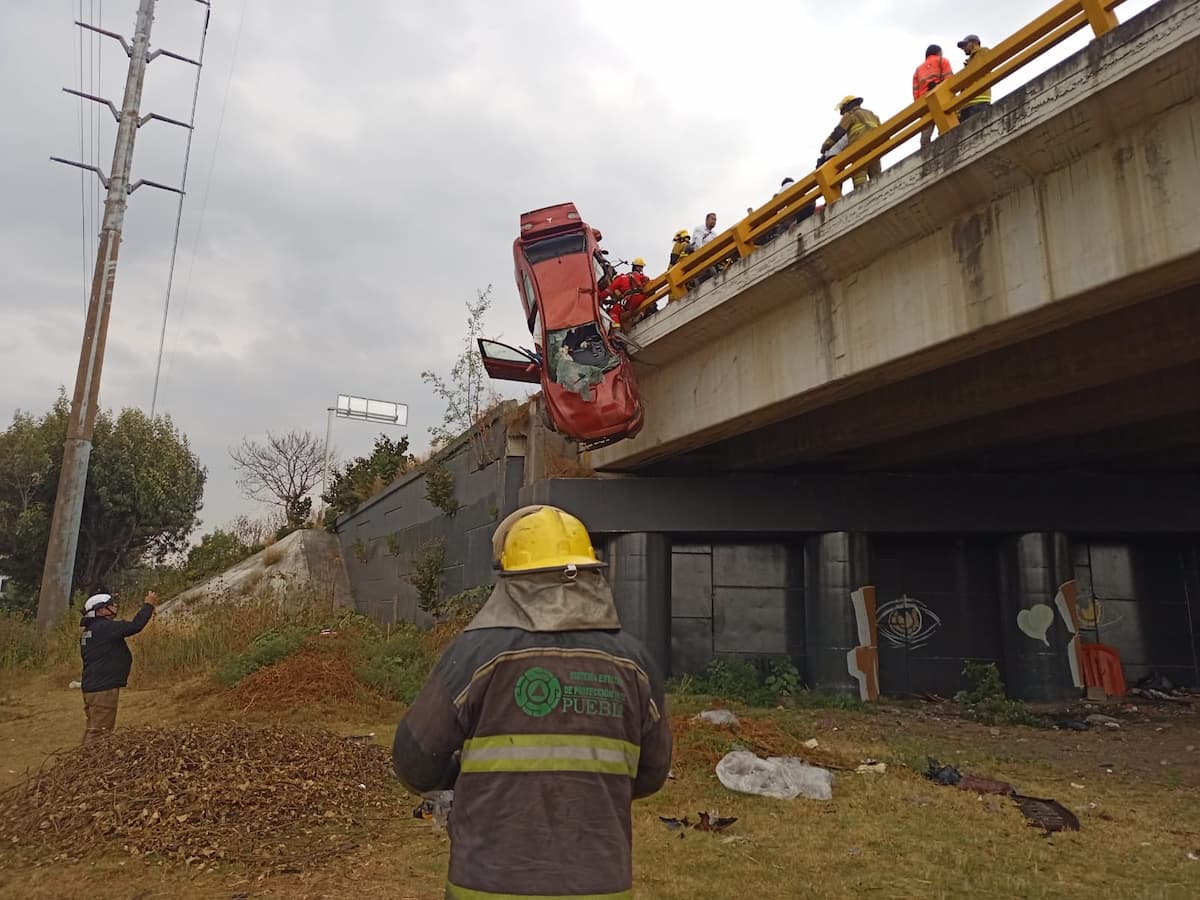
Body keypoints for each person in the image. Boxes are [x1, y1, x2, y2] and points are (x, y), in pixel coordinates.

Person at [392, 505, 673, 899]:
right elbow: (651, 774)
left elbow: (414, 762)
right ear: (590, 575)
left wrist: (463, 776)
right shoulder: (634, 662)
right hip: (599, 887)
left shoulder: (475, 655)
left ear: (509, 579)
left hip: (488, 886)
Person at [79, 589, 158, 744]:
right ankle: (89, 765)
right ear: (101, 610)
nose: (115, 606)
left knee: (94, 729)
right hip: (103, 689)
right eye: (111, 604)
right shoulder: (103, 627)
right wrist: (148, 605)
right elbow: (136, 625)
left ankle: (83, 762)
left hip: (93, 687)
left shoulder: (90, 631)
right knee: (100, 734)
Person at [821, 95, 882, 189]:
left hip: (858, 152)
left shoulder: (850, 115)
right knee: (878, 179)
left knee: (859, 180)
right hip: (875, 150)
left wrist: (825, 146)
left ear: (847, 106)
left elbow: (838, 133)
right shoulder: (872, 115)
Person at [913, 44, 954, 148]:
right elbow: (949, 80)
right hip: (941, 98)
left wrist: (919, 109)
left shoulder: (918, 70)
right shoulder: (942, 61)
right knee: (945, 126)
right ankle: (946, 146)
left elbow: (915, 91)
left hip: (925, 104)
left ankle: (925, 152)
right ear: (939, 52)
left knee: (925, 134)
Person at [606, 258, 651, 327]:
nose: (641, 269)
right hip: (641, 297)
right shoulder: (639, 276)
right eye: (640, 267)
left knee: (613, 312)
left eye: (641, 267)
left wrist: (601, 298)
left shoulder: (624, 277)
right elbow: (647, 281)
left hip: (630, 298)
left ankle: (616, 328)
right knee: (644, 302)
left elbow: (617, 294)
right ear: (637, 267)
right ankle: (640, 314)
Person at [956, 34, 991, 122]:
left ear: (974, 43)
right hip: (966, 105)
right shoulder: (968, 63)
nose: (963, 48)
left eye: (965, 45)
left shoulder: (983, 52)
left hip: (979, 100)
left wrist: (975, 52)